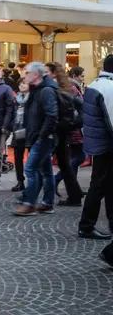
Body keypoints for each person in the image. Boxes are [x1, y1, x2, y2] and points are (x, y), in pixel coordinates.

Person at [13, 62, 58, 216]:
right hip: (38, 136)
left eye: (27, 73)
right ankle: (47, 203)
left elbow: (52, 115)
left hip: (43, 137)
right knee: (46, 171)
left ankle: (30, 204)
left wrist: (42, 135)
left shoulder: (46, 91)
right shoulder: (38, 89)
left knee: (30, 169)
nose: (24, 76)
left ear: (36, 75)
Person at [79, 54, 113, 241]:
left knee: (104, 185)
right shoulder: (109, 88)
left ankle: (93, 224)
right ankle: (86, 225)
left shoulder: (94, 84)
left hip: (98, 143)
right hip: (106, 145)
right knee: (99, 186)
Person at [47, 62, 86, 206]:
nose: (83, 78)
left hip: (65, 129)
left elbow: (71, 108)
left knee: (69, 161)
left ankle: (58, 185)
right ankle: (74, 194)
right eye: (82, 76)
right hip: (68, 129)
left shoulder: (64, 88)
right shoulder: (66, 87)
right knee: (68, 163)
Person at [10, 78, 29, 192]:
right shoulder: (16, 99)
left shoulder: (32, 98)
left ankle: (33, 181)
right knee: (18, 157)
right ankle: (20, 181)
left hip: (29, 130)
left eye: (24, 83)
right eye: (20, 83)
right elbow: (12, 113)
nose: (22, 85)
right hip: (18, 130)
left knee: (32, 157)